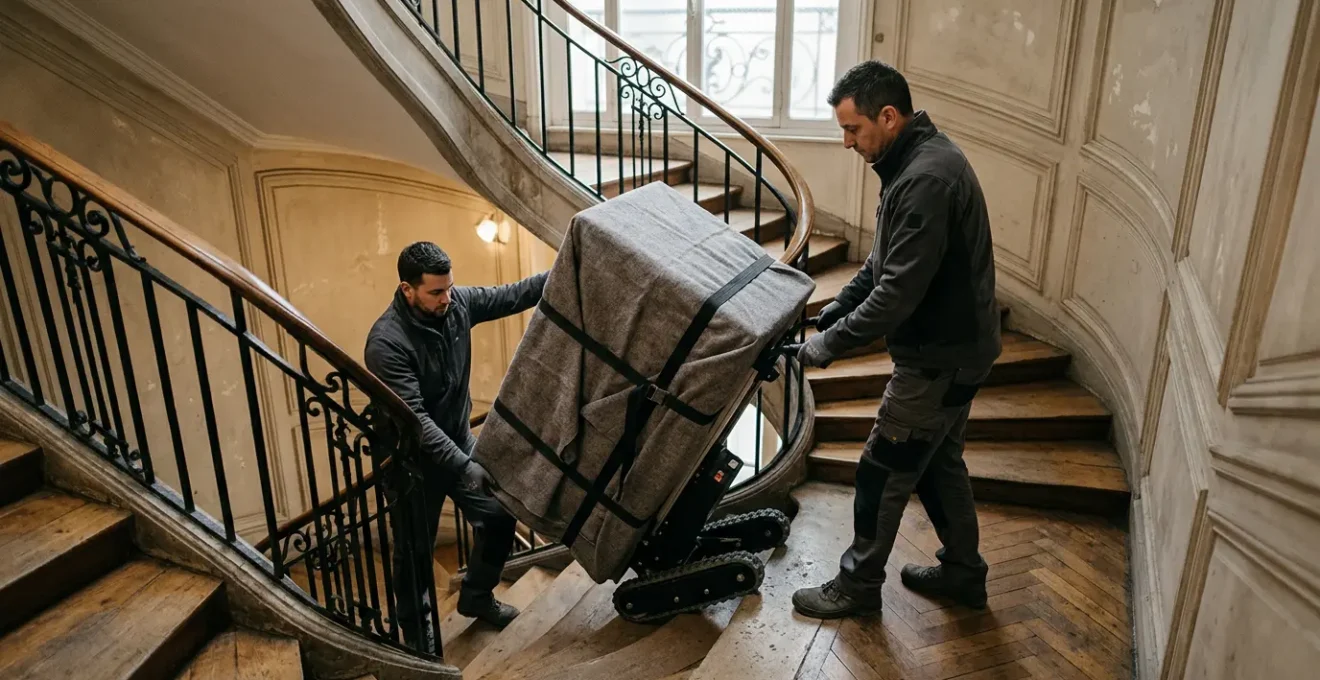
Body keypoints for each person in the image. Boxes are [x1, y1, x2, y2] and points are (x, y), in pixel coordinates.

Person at [791, 61, 1002, 619]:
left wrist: (825, 346)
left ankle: (857, 586)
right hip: (958, 351)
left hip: (939, 361)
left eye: (853, 129)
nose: (846, 142)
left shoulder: (926, 179)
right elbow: (884, 265)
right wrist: (841, 303)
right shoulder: (912, 162)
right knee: (938, 465)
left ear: (888, 116)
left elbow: (897, 296)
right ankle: (963, 573)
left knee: (881, 471)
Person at [364, 241, 547, 645]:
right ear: (407, 289)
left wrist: (568, 270)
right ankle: (416, 635)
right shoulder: (386, 345)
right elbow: (416, 423)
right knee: (414, 553)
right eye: (435, 292)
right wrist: (465, 465)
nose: (447, 298)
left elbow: (511, 294)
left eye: (449, 287)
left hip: (458, 445)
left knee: (498, 518)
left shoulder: (457, 304)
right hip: (411, 464)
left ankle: (477, 598)